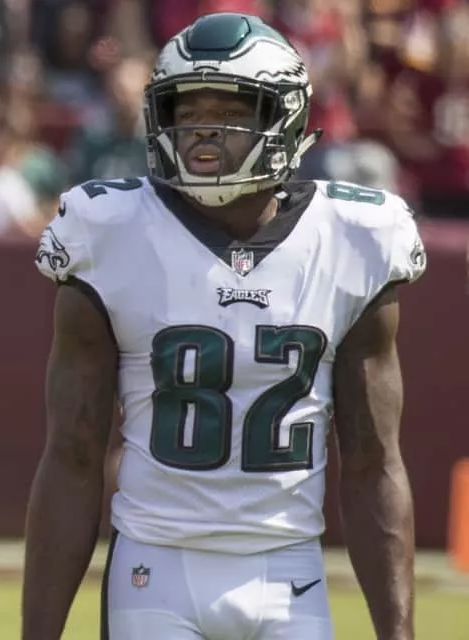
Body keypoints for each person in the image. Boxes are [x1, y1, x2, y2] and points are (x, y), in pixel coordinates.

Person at [22, 12, 426, 640]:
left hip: (290, 569)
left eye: (230, 110)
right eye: (186, 111)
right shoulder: (109, 231)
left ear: (283, 117)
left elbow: (373, 462)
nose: (203, 131)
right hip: (155, 564)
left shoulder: (354, 237)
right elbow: (72, 455)